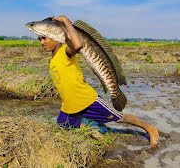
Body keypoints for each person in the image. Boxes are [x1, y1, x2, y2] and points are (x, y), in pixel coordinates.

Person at [38, 15, 160, 148]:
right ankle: (94, 126)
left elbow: (78, 45)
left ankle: (149, 128)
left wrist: (67, 23)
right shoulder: (53, 60)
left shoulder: (65, 51)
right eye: (39, 39)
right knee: (63, 125)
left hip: (86, 100)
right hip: (69, 106)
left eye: (44, 37)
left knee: (119, 118)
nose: (42, 42)